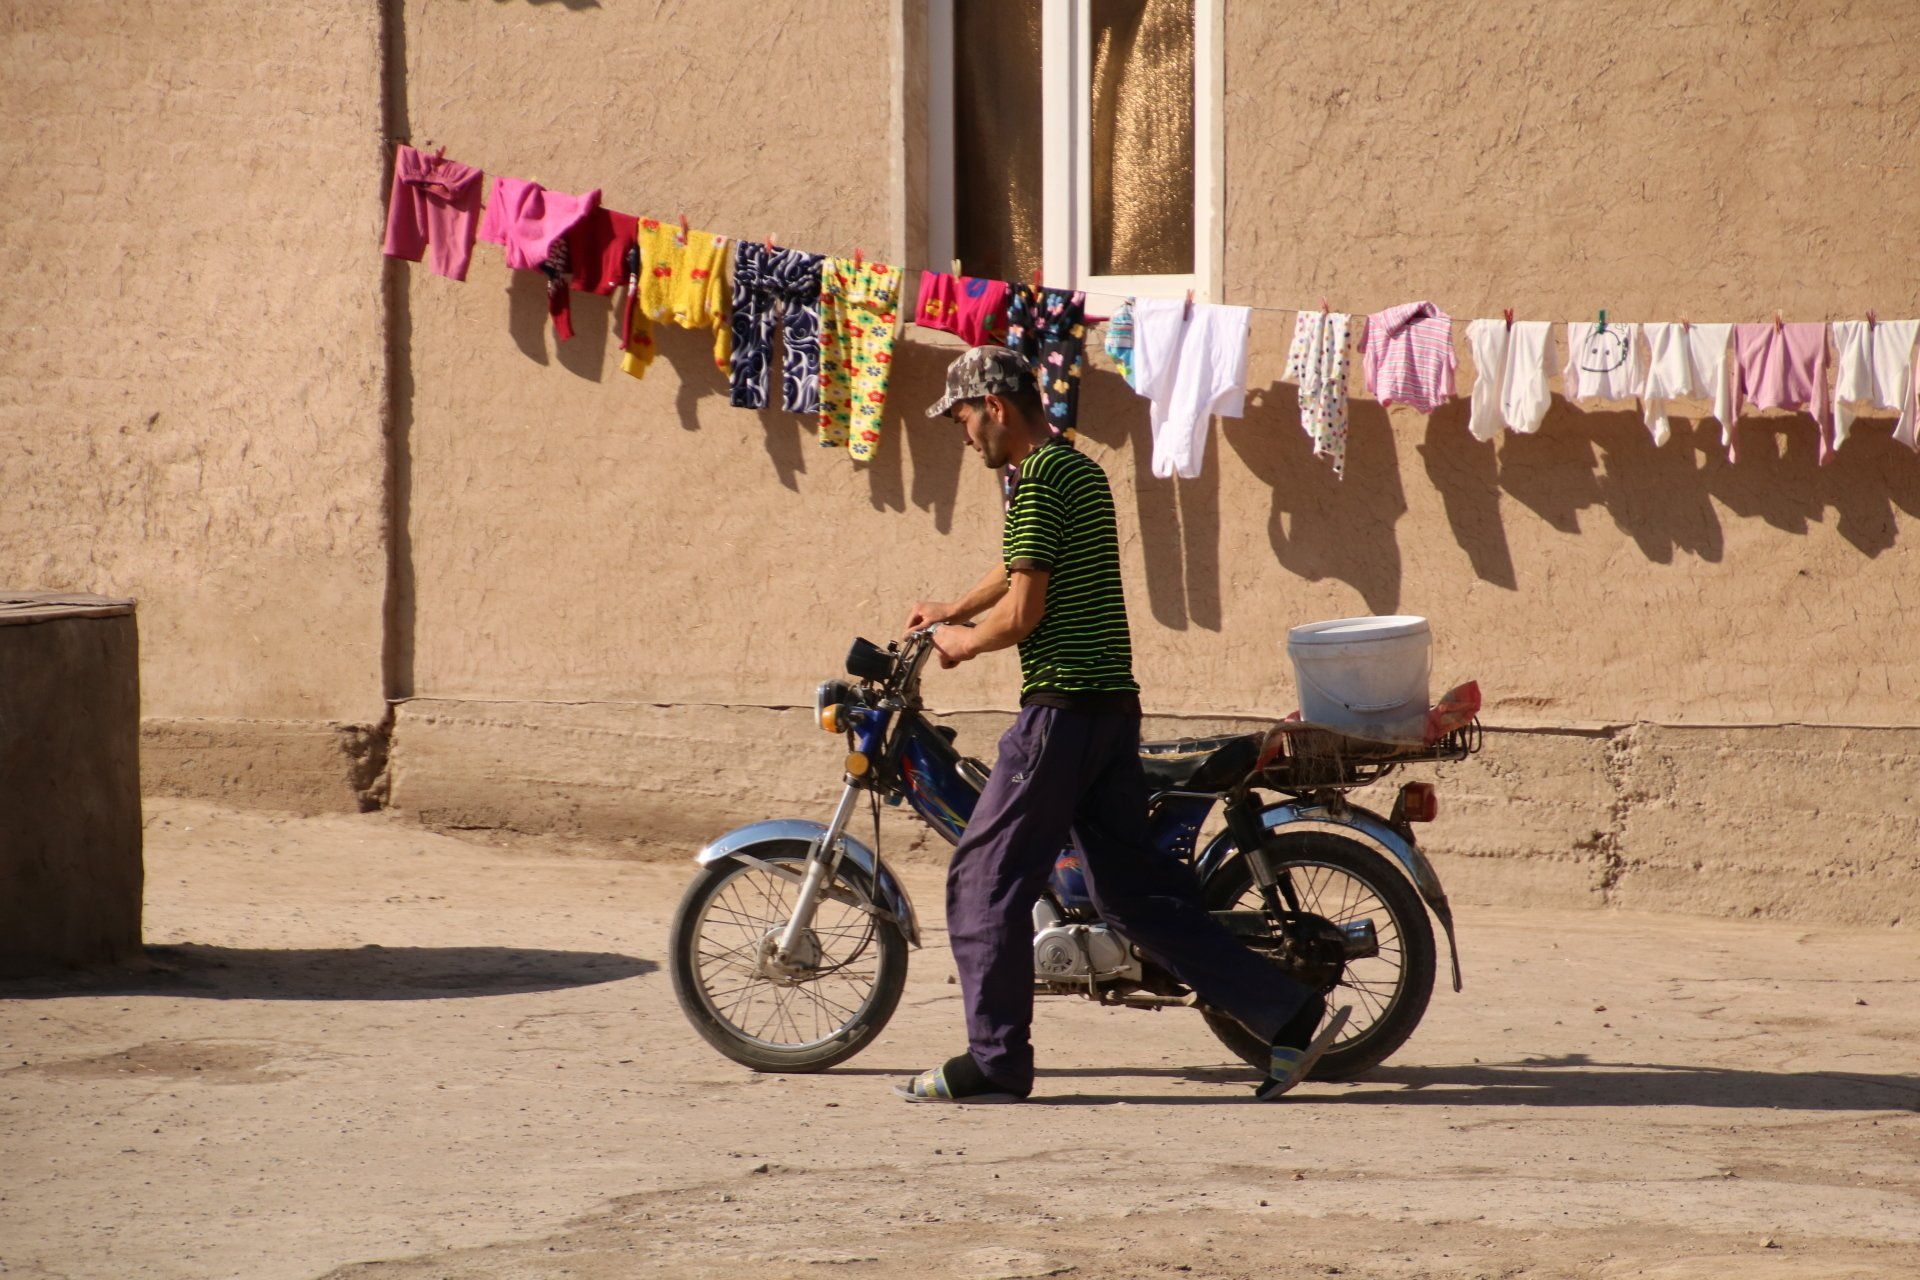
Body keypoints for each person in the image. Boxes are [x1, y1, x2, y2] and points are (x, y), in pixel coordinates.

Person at [895, 345, 1349, 1104]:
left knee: (983, 877)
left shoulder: (1036, 480)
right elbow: (1017, 569)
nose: (964, 433)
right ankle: (1289, 1013)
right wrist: (952, 606)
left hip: (1061, 713)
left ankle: (997, 1060)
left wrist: (963, 643)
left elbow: (1026, 608)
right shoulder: (1077, 470)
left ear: (996, 407)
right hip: (1111, 713)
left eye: (964, 417)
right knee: (1133, 897)